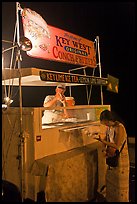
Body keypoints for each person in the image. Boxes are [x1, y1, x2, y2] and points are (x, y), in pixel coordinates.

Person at [96, 109, 129, 202]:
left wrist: (103, 141)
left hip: (120, 157)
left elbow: (117, 145)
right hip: (112, 155)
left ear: (109, 120)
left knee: (119, 182)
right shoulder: (109, 128)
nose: (105, 125)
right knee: (111, 181)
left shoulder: (120, 127)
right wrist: (104, 145)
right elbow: (108, 139)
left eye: (105, 123)